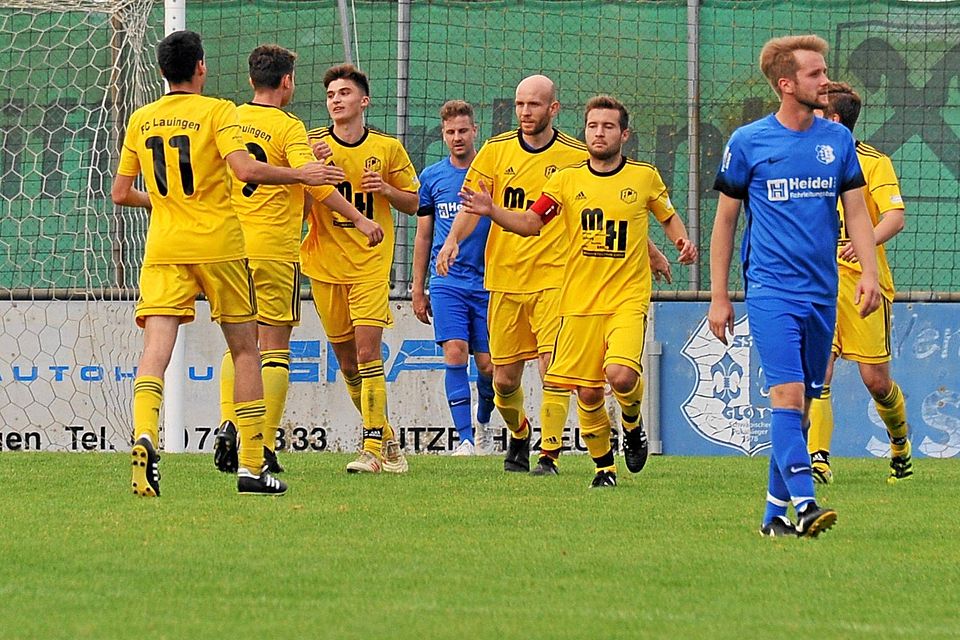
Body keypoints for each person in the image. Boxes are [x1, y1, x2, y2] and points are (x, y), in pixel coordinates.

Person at [111, 30, 330, 496]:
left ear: (162, 71)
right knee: (247, 350)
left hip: (165, 248)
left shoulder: (141, 118)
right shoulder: (218, 112)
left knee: (155, 352)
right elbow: (246, 170)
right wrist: (301, 173)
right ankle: (253, 466)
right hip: (221, 246)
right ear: (201, 67)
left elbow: (120, 192)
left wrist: (167, 204)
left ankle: (146, 435)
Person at [460, 94, 695, 486]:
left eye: (607, 126)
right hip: (579, 302)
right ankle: (605, 469)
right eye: (592, 126)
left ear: (624, 134)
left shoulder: (643, 176)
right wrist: (491, 211)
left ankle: (631, 425)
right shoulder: (566, 181)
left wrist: (680, 243)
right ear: (585, 130)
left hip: (625, 299)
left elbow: (667, 217)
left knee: (619, 376)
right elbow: (531, 224)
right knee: (586, 394)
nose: (599, 133)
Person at [709, 35, 882, 537]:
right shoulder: (748, 142)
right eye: (814, 74)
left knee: (801, 406)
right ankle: (805, 504)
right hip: (770, 290)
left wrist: (868, 273)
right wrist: (720, 296)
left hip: (822, 291)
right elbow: (724, 223)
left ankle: (772, 519)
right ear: (786, 84)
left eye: (823, 72)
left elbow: (856, 211)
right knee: (785, 394)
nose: (825, 80)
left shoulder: (838, 142)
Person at [212, 45, 384, 475]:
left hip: (231, 246)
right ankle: (263, 443)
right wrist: (361, 220)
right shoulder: (289, 127)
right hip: (273, 248)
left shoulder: (229, 119)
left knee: (238, 343)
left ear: (251, 80)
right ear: (287, 82)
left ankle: (228, 422)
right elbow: (319, 186)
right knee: (273, 349)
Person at [435, 75, 589, 475]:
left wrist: (649, 251)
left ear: (553, 109)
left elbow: (601, 206)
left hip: (556, 278)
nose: (524, 112)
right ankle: (519, 433)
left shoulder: (575, 156)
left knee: (552, 367)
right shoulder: (495, 151)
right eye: (520, 104)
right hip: (503, 279)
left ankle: (548, 454)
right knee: (503, 381)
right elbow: (472, 205)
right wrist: (452, 241)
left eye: (534, 105)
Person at [302, 64, 420, 474]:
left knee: (369, 352)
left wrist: (385, 189)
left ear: (364, 101)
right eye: (331, 94)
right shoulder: (312, 145)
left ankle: (370, 447)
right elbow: (299, 211)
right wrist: (312, 174)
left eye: (344, 93)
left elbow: (414, 203)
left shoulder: (387, 149)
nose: (336, 99)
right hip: (323, 264)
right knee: (348, 363)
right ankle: (387, 440)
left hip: (370, 263)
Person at [806, 82, 912, 485]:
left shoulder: (873, 162)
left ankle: (900, 442)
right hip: (818, 283)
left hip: (864, 284)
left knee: (876, 381)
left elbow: (894, 217)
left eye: (815, 109)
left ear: (833, 119)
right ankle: (818, 461)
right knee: (820, 369)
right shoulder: (801, 159)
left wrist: (863, 243)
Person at [412, 100, 496, 456]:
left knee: (489, 366)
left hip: (491, 281)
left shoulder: (492, 173)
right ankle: (464, 439)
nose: (457, 137)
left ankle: (484, 421)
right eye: (450, 132)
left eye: (463, 130)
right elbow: (422, 235)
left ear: (475, 131)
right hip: (447, 282)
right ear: (443, 134)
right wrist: (418, 287)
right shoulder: (432, 177)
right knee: (455, 354)